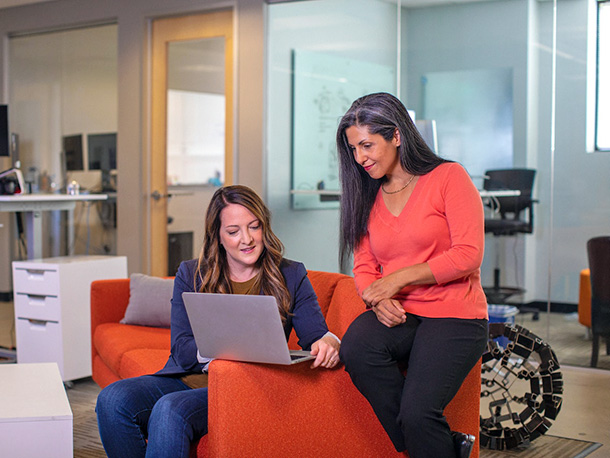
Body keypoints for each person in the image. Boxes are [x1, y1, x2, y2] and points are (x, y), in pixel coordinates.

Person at [96, 185, 340, 458]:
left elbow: (316, 336)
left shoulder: (291, 274)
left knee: (169, 410)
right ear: (218, 236)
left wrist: (330, 341)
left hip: (246, 387)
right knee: (112, 400)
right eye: (234, 231)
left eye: (254, 227)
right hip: (190, 378)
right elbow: (181, 347)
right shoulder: (191, 273)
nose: (246, 239)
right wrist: (216, 350)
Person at [336, 92, 488, 458]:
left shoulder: (449, 177)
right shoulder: (366, 194)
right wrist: (378, 295)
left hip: (456, 315)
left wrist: (398, 280)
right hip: (404, 313)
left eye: (368, 145)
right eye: (354, 149)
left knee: (418, 412)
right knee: (356, 346)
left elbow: (469, 254)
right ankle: (441, 447)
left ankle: (422, 433)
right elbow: (364, 264)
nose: (361, 158)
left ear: (397, 135)